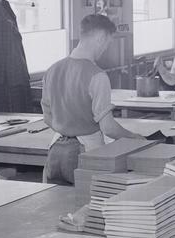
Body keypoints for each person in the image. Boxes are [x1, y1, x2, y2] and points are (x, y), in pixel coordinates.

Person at [40, 14, 140, 185]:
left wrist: (68, 130)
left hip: (55, 151)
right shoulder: (97, 75)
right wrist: (134, 137)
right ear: (100, 38)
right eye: (107, 43)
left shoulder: (52, 70)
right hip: (87, 153)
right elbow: (108, 128)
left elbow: (47, 118)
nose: (105, 49)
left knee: (56, 200)